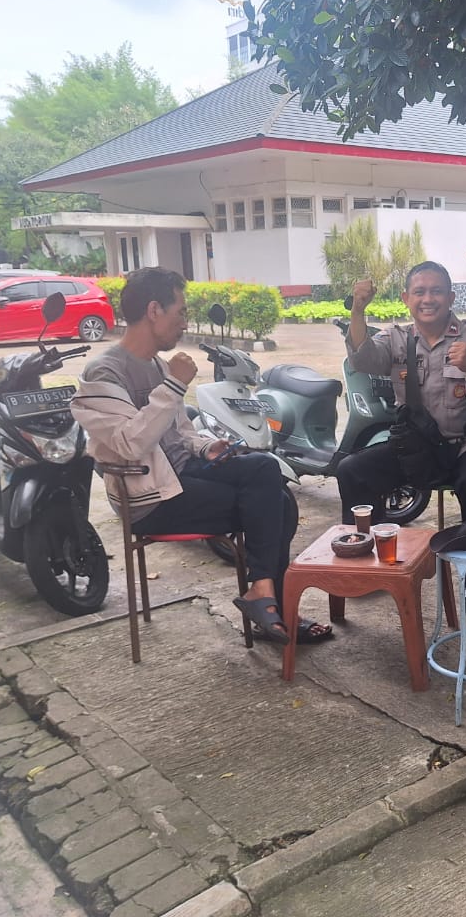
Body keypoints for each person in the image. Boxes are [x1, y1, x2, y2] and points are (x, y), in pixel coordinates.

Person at [71, 266, 330, 644]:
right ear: (154, 310)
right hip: (149, 498)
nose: (184, 322)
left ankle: (265, 597)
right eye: (180, 312)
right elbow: (130, 444)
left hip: (184, 474)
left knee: (264, 468)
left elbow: (181, 431)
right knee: (278, 503)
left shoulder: (158, 365)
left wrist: (206, 446)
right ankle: (273, 604)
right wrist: (174, 384)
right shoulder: (103, 373)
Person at [337, 261, 466, 613]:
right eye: (419, 292)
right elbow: (363, 361)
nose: (428, 299)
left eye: (436, 291)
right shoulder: (395, 338)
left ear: (451, 297)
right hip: (416, 447)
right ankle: (368, 560)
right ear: (406, 298)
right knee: (352, 469)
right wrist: (358, 311)